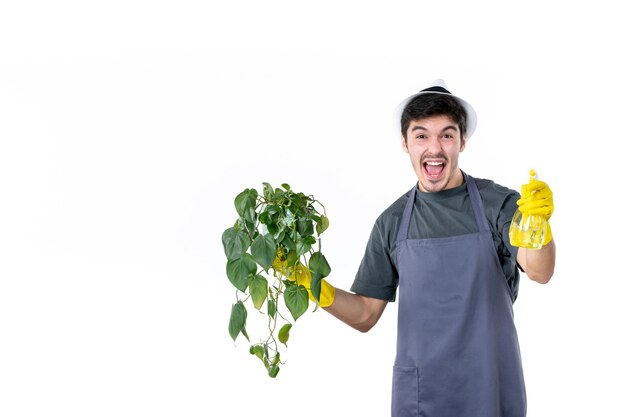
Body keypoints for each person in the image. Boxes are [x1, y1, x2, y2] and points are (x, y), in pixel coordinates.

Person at [301, 79, 556, 417]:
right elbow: (364, 314)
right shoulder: (392, 222)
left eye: (446, 135)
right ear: (405, 143)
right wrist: (311, 284)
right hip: (422, 396)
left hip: (490, 388)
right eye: (421, 135)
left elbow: (540, 270)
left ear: (462, 141)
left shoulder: (498, 204)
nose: (434, 149)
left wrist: (538, 226)